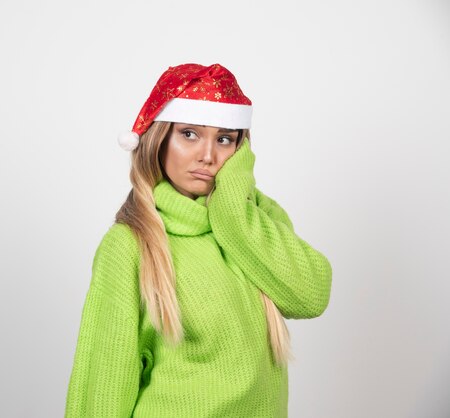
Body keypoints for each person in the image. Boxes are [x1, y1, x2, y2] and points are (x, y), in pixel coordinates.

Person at [64, 63, 333, 417]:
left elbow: (310, 297)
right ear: (159, 140)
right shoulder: (131, 244)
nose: (208, 155)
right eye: (189, 134)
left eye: (225, 139)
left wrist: (233, 207)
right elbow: (102, 385)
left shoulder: (257, 220)